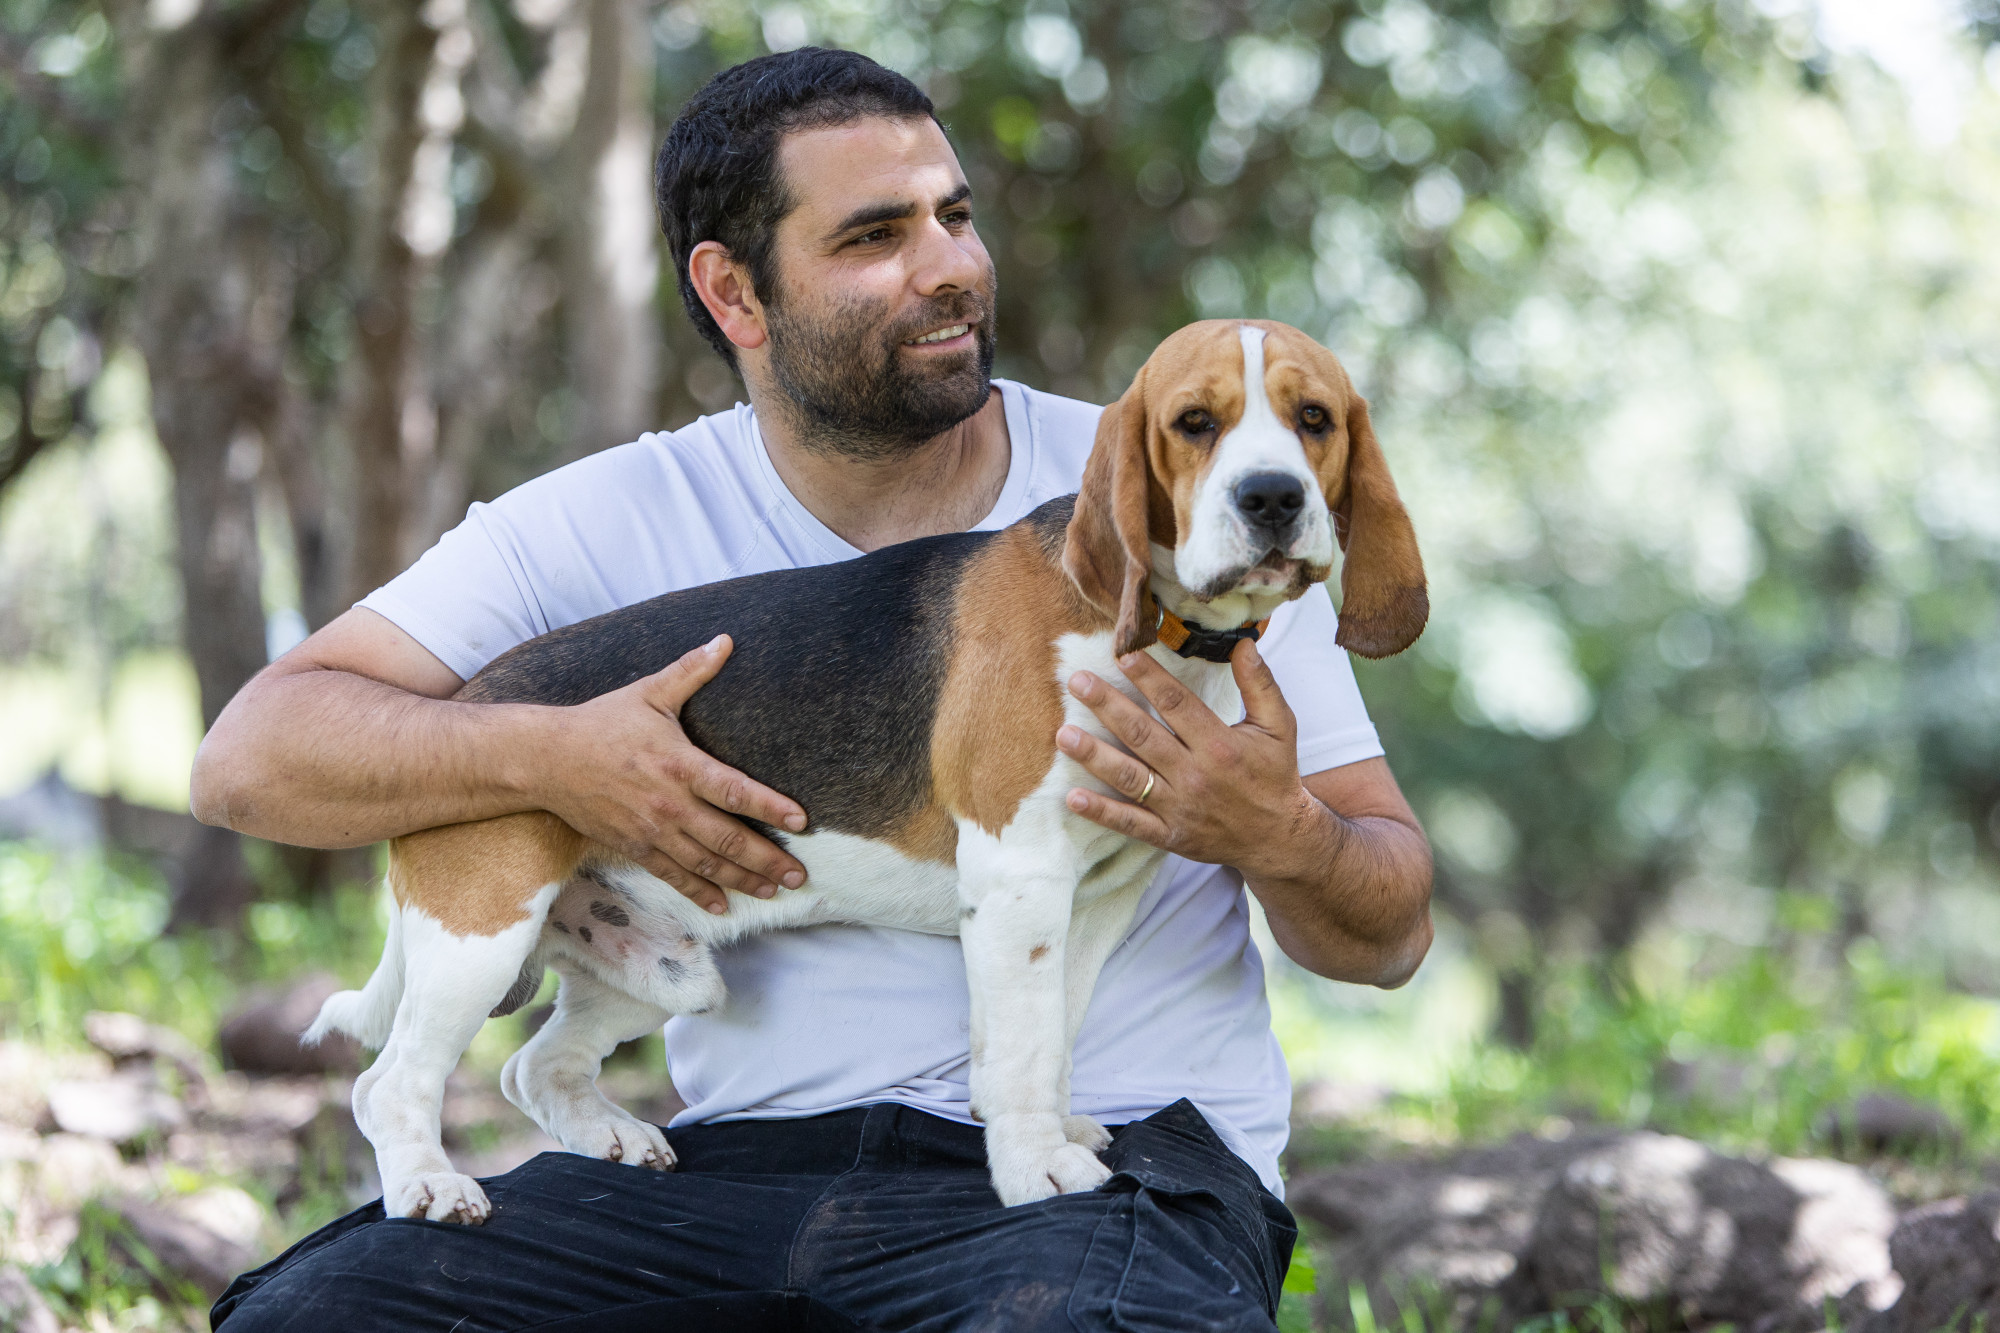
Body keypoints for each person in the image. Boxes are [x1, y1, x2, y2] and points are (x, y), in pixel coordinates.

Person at [191, 47, 1433, 1333]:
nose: (947, 264)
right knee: (314, 1318)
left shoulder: (1207, 508)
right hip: (735, 1172)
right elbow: (249, 758)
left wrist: (1277, 833)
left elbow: (1388, 931)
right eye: (875, 234)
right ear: (734, 291)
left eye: (955, 215)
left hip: (1114, 1170)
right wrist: (553, 759)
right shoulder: (601, 519)